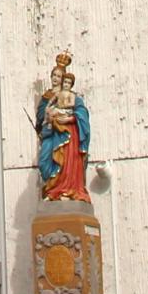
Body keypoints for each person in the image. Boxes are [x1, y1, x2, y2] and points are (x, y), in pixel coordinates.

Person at [35, 53, 91, 202]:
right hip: (50, 133)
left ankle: (63, 190)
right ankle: (52, 189)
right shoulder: (47, 97)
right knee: (44, 162)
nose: (56, 78)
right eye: (54, 75)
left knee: (66, 163)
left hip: (65, 134)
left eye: (59, 76)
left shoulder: (71, 96)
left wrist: (69, 119)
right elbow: (41, 117)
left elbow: (81, 112)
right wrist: (47, 116)